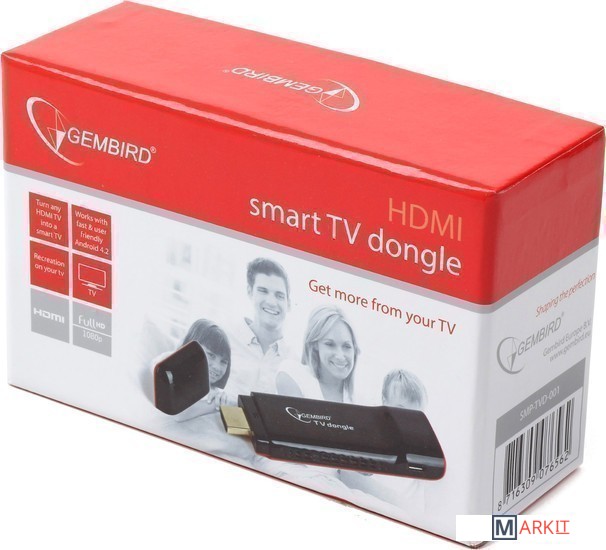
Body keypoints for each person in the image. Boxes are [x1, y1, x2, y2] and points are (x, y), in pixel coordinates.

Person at [224, 258, 293, 399]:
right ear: (250, 292)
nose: (272, 302)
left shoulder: (294, 361)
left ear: (289, 303)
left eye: (279, 296)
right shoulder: (225, 340)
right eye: (263, 291)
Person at [151, 319, 231, 421]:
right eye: (211, 355)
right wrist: (215, 405)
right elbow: (176, 413)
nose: (217, 367)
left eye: (223, 362)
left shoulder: (214, 390)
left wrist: (221, 399)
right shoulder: (167, 363)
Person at [277, 306, 359, 403]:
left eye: (347, 346)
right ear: (314, 345)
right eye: (330, 344)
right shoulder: (293, 374)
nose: (340, 356)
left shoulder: (360, 399)